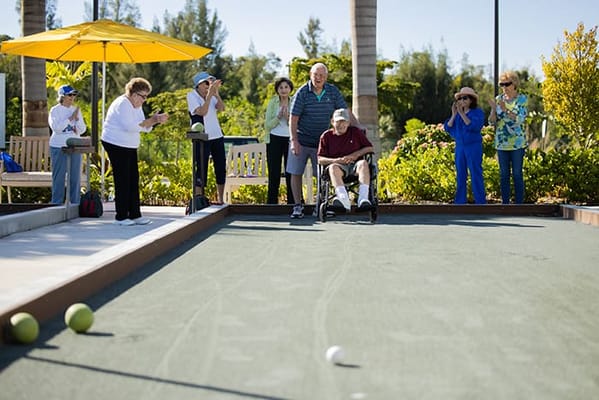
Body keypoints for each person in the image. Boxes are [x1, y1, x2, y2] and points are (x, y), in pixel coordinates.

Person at [288, 62, 360, 218]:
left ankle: (319, 205)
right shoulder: (302, 93)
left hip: (322, 142)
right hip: (301, 138)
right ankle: (297, 206)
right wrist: (294, 140)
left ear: (326, 77)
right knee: (295, 172)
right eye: (315, 75)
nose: (318, 78)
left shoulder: (332, 92)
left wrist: (358, 127)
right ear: (310, 75)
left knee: (322, 175)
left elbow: (345, 111)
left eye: (321, 75)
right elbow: (293, 119)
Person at [101, 77, 169, 226]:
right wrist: (153, 120)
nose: (144, 100)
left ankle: (135, 214)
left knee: (133, 179)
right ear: (133, 94)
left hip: (129, 145)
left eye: (146, 96)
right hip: (115, 143)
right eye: (143, 96)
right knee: (122, 179)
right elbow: (131, 126)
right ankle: (120, 217)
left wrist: (155, 121)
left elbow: (145, 127)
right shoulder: (123, 104)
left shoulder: (136, 106)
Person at [317, 108, 374, 210]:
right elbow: (320, 159)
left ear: (348, 123)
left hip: (355, 165)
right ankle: (343, 199)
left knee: (364, 163)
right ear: (332, 122)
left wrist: (355, 155)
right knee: (333, 167)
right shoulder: (326, 136)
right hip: (338, 166)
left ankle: (363, 199)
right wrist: (336, 160)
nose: (341, 124)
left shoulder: (356, 132)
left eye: (344, 122)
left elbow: (369, 148)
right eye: (338, 121)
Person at [488, 71, 528, 204]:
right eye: (502, 84)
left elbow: (520, 119)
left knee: (517, 174)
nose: (504, 87)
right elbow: (492, 122)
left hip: (517, 143)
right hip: (501, 143)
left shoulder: (522, 99)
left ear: (514, 84)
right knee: (504, 174)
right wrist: (494, 109)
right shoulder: (499, 99)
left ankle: (519, 204)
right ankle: (505, 203)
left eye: (507, 84)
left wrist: (505, 110)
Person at [187, 71, 226, 205]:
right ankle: (198, 200)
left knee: (220, 167)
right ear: (198, 85)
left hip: (217, 135)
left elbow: (221, 108)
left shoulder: (212, 95)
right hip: (202, 137)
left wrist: (216, 94)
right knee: (201, 168)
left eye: (210, 83)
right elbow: (202, 112)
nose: (208, 86)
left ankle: (221, 199)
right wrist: (209, 97)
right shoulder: (191, 96)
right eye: (206, 83)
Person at [443, 87, 486, 204]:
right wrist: (454, 114)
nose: (462, 100)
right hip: (460, 147)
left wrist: (462, 114)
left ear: (471, 100)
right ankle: (460, 202)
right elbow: (448, 127)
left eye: (465, 98)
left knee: (475, 173)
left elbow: (475, 126)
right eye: (460, 98)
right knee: (461, 174)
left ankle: (480, 202)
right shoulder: (457, 115)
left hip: (473, 146)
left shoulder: (477, 112)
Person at [48, 85, 87, 205]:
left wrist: (77, 121)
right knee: (58, 177)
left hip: (74, 147)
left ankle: (75, 203)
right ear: (62, 96)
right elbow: (57, 128)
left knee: (75, 177)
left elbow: (82, 129)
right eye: (70, 95)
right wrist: (70, 119)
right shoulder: (55, 110)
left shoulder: (76, 110)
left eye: (74, 95)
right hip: (58, 147)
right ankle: (57, 204)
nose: (72, 97)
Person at [264, 77, 294, 204]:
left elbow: (297, 124)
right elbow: (267, 125)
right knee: (274, 172)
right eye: (281, 87)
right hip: (274, 139)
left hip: (290, 139)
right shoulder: (272, 102)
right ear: (277, 90)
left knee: (291, 172)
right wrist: (278, 117)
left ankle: (293, 202)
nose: (283, 90)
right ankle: (271, 202)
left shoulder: (294, 102)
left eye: (286, 87)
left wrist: (288, 118)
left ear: (290, 89)